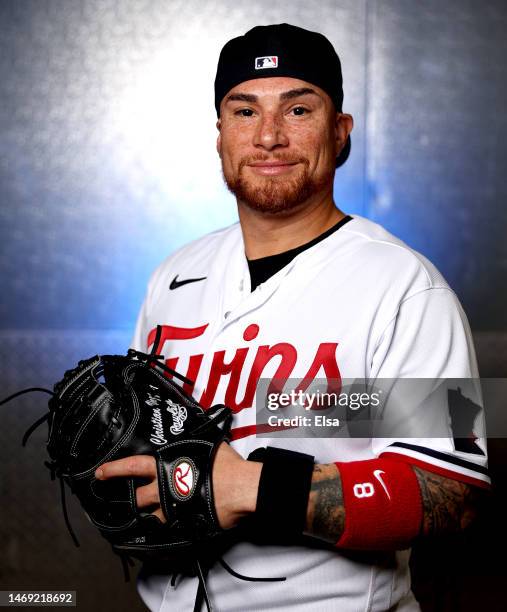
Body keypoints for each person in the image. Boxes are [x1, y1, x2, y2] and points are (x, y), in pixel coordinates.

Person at [95, 24, 489, 611]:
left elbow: (454, 491)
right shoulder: (172, 276)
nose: (270, 136)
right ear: (221, 134)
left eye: (298, 109)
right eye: (245, 111)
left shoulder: (408, 286)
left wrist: (254, 488)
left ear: (340, 131)